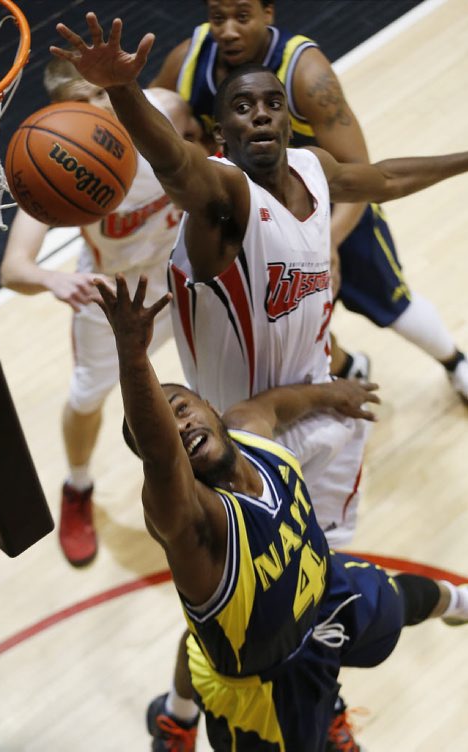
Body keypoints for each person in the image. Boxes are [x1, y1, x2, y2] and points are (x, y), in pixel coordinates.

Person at [51, 13, 468, 750]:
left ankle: (318, 704)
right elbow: (176, 165)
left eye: (271, 103)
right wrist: (121, 94)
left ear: (288, 115)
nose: (260, 115)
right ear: (222, 133)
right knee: (225, 618)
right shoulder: (220, 197)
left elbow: (388, 176)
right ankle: (183, 721)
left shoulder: (313, 170)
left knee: (317, 593)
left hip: (315, 412)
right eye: (241, 107)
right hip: (234, 441)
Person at [98, 271, 468, 752]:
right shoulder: (193, 522)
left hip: (324, 594)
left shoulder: (247, 429)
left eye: (181, 407)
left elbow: (272, 405)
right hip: (268, 685)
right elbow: (162, 454)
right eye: (166, 426)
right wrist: (132, 353)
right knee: (206, 648)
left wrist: (331, 394)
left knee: (405, 598)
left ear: (209, 406)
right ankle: (180, 724)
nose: (180, 424)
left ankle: (458, 604)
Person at [151, 0, 468, 400]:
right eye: (217, 18)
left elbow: (363, 169)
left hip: (328, 206)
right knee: (285, 320)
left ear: (269, 13)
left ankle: (455, 361)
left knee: (392, 303)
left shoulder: (307, 73)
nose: (228, 30)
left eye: (242, 17)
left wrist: (328, 241)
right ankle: (348, 367)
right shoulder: (188, 60)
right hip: (249, 224)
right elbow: (159, 122)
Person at [0, 56, 202, 566]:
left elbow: (206, 156)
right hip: (111, 299)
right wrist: (53, 278)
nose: (96, 108)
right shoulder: (59, 155)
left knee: (236, 358)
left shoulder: (168, 111)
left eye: (100, 94)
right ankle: (77, 486)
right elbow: (13, 270)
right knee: (88, 397)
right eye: (79, 103)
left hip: (186, 273)